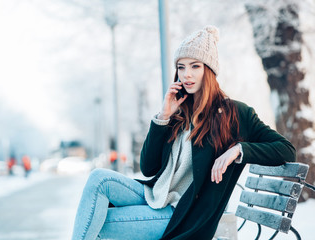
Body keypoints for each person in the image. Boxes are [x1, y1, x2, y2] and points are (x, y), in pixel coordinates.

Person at [71, 26, 296, 240]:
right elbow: (149, 168)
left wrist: (237, 151)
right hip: (158, 195)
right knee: (99, 179)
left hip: (183, 216)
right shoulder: (179, 112)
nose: (186, 74)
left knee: (96, 220)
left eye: (195, 66)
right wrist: (163, 117)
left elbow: (286, 150)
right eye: (181, 67)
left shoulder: (234, 113)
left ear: (209, 70)